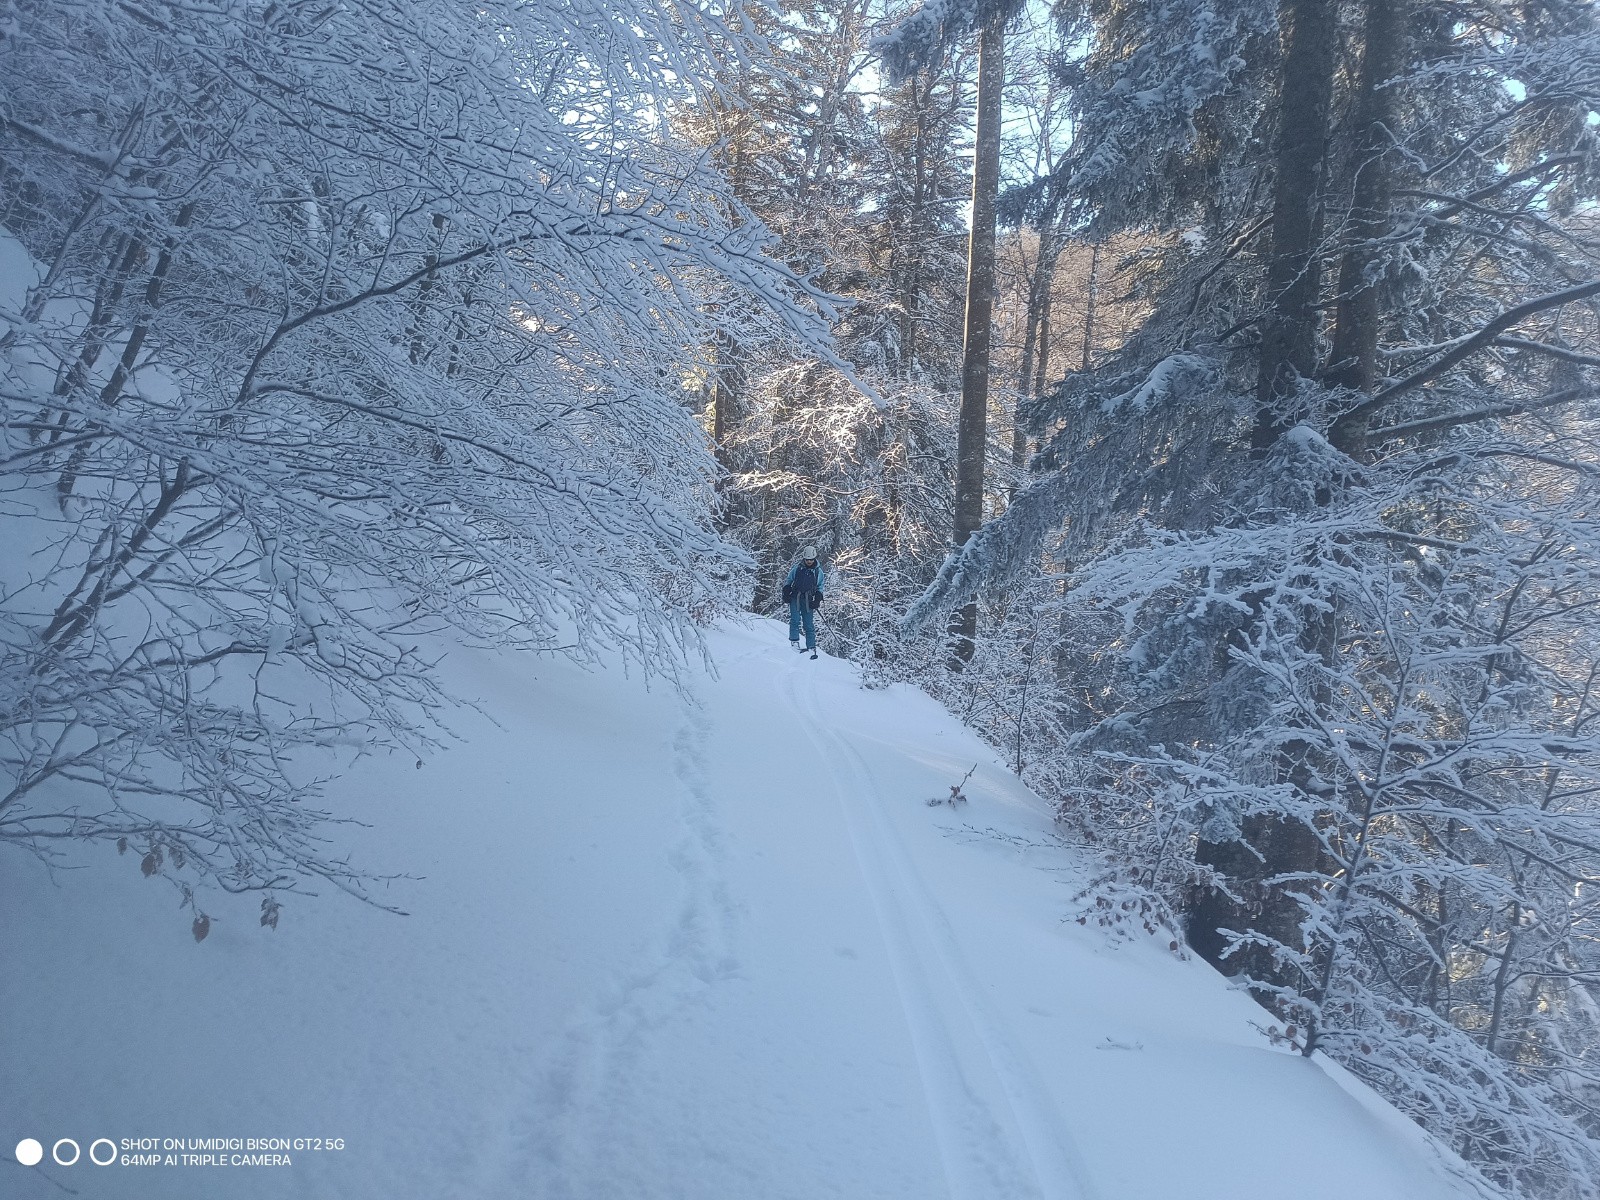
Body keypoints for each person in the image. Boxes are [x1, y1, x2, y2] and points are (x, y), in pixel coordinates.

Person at [782, 546, 825, 657]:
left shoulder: (818, 571)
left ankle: (811, 646)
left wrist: (817, 599)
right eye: (807, 560)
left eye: (811, 559)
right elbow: (789, 580)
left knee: (808, 624)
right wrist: (786, 591)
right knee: (795, 620)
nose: (809, 562)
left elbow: (820, 586)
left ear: (814, 558)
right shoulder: (797, 568)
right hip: (795, 598)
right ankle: (794, 641)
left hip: (808, 600)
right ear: (804, 559)